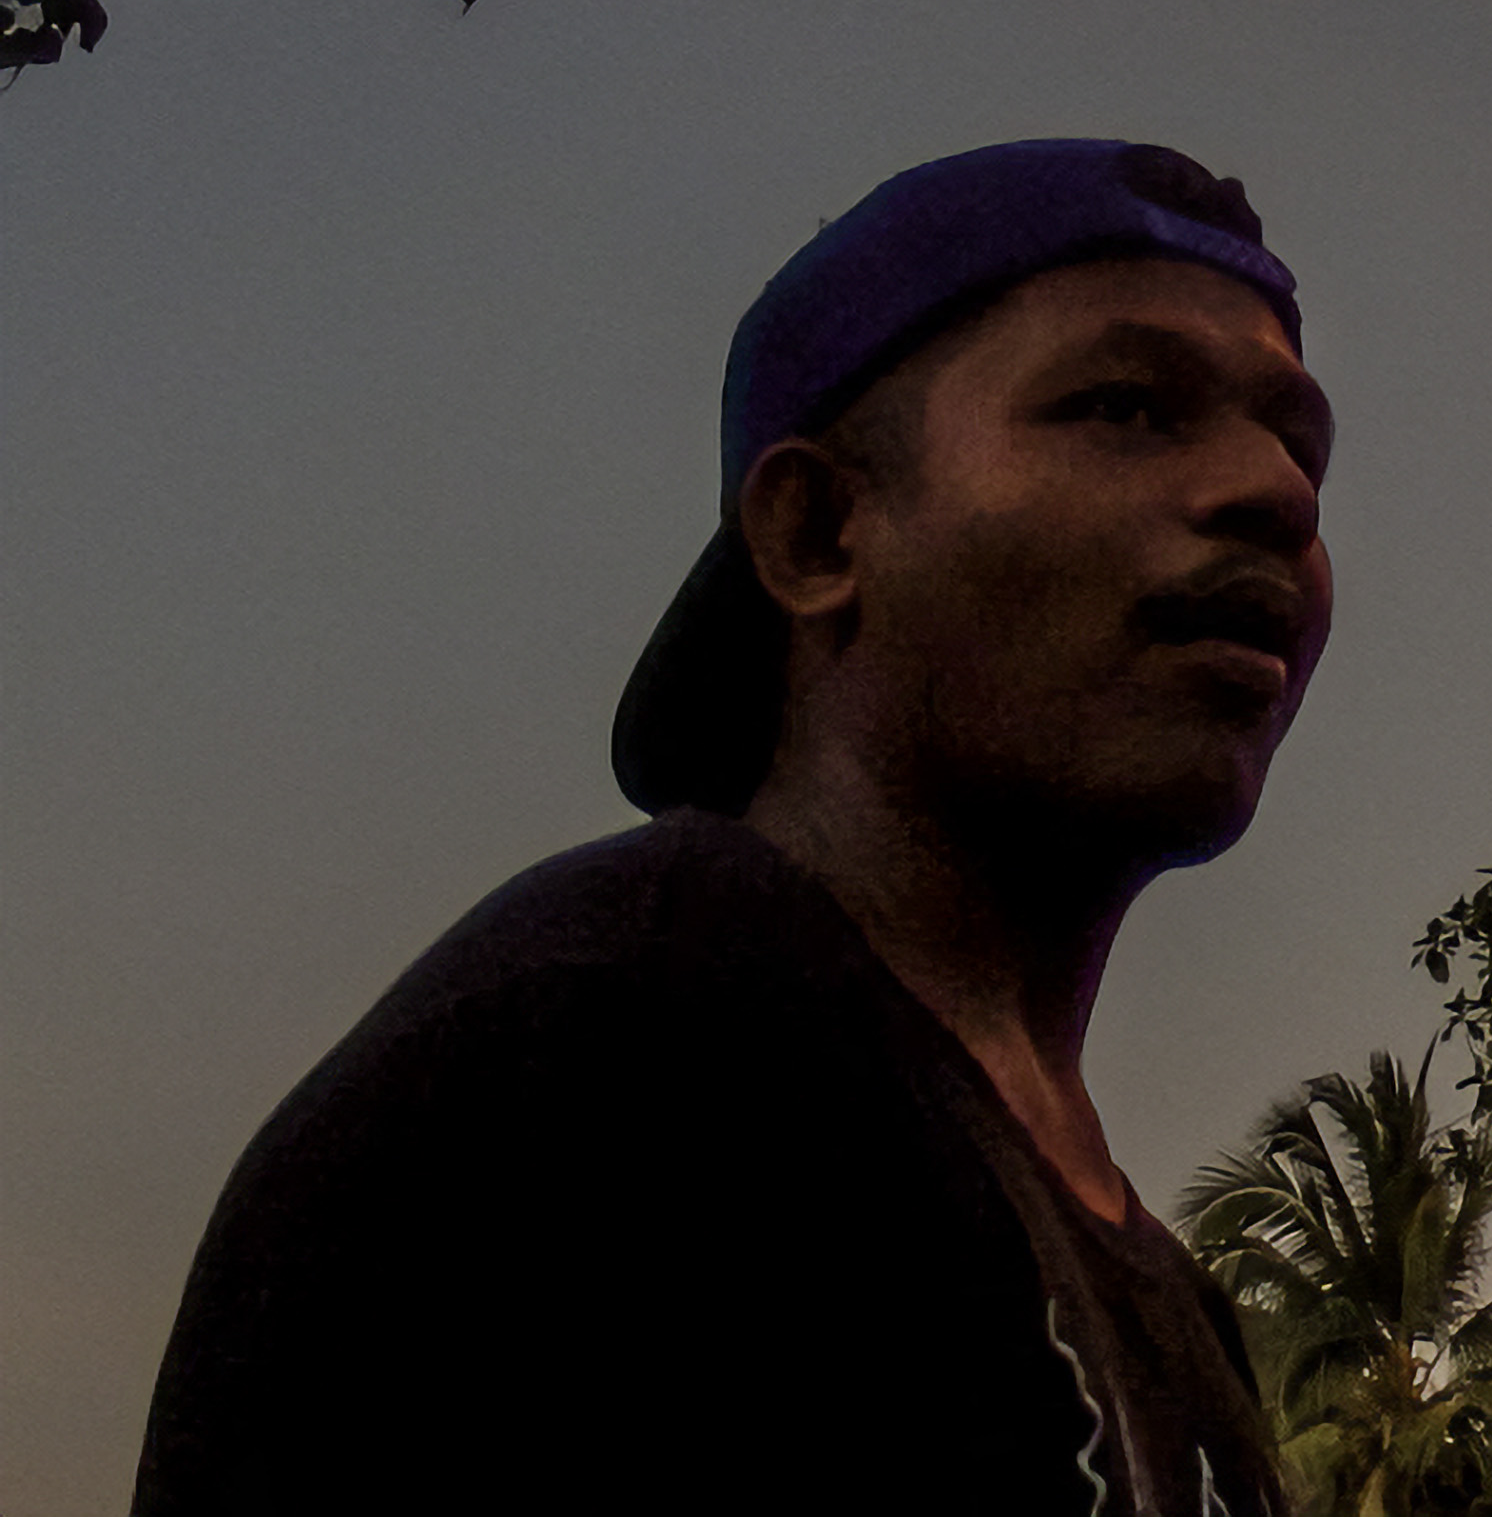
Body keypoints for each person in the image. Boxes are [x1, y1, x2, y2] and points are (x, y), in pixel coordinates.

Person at [133, 139, 1335, 1513]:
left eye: (1296, 440)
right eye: (1126, 407)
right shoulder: (603, 1058)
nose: (1277, 491)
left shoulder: (1172, 1295)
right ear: (819, 533)